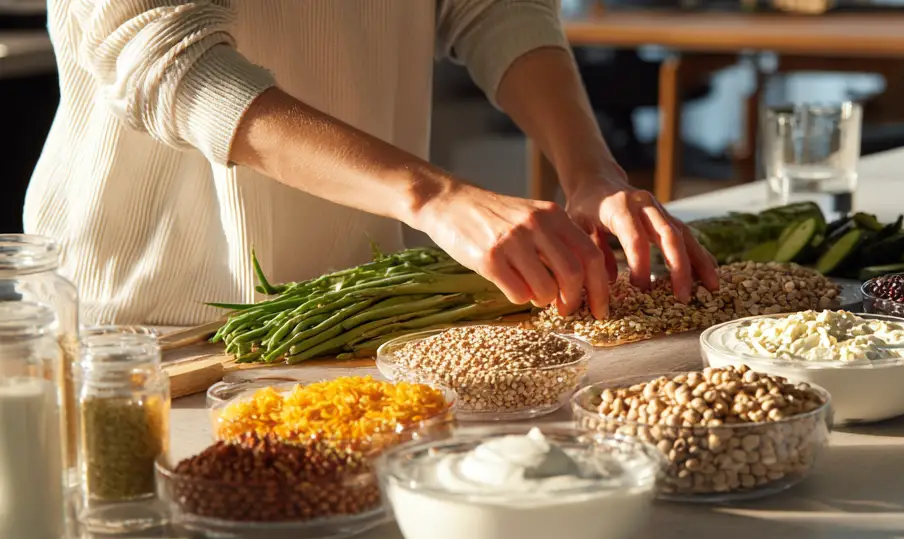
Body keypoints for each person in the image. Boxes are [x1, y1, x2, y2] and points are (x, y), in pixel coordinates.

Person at [25, 1, 718, 326]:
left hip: (345, 312)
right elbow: (168, 62)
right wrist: (432, 196)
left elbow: (495, 7)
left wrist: (591, 173)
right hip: (148, 329)